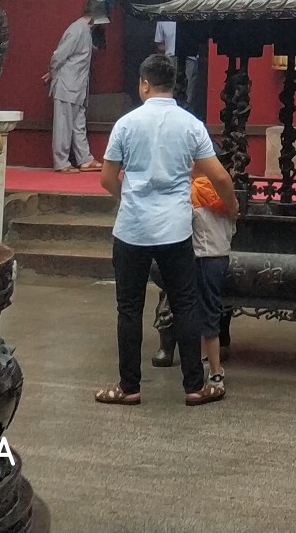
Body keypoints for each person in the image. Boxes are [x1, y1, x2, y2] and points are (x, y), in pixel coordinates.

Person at [94, 53, 236, 407]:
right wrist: (233, 208)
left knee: (129, 308)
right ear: (173, 84)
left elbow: (107, 178)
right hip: (175, 229)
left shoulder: (126, 124)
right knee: (186, 305)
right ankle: (194, 385)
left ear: (144, 83)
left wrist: (128, 196)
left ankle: (129, 387)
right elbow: (219, 176)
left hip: (132, 229)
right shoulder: (190, 125)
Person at [46, 0, 106, 172]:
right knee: (63, 124)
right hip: (67, 84)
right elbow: (59, 55)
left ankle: (84, 158)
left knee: (79, 123)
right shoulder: (77, 29)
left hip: (78, 85)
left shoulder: (86, 30)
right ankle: (61, 162)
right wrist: (52, 72)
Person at [191, 172, 236, 394]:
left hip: (202, 257)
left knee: (206, 313)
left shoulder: (194, 192)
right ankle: (206, 359)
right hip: (221, 256)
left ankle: (215, 371)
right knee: (210, 308)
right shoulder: (226, 196)